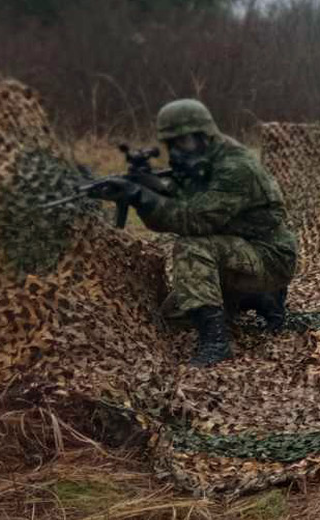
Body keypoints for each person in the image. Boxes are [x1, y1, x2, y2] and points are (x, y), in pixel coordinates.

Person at [85, 99, 298, 366]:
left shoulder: (236, 167)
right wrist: (152, 188)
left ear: (203, 135)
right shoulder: (202, 160)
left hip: (270, 256)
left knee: (192, 247)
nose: (176, 151)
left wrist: (143, 196)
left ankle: (216, 343)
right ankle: (255, 299)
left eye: (182, 142)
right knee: (176, 317)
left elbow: (193, 221)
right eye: (171, 144)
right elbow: (172, 211)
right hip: (239, 252)